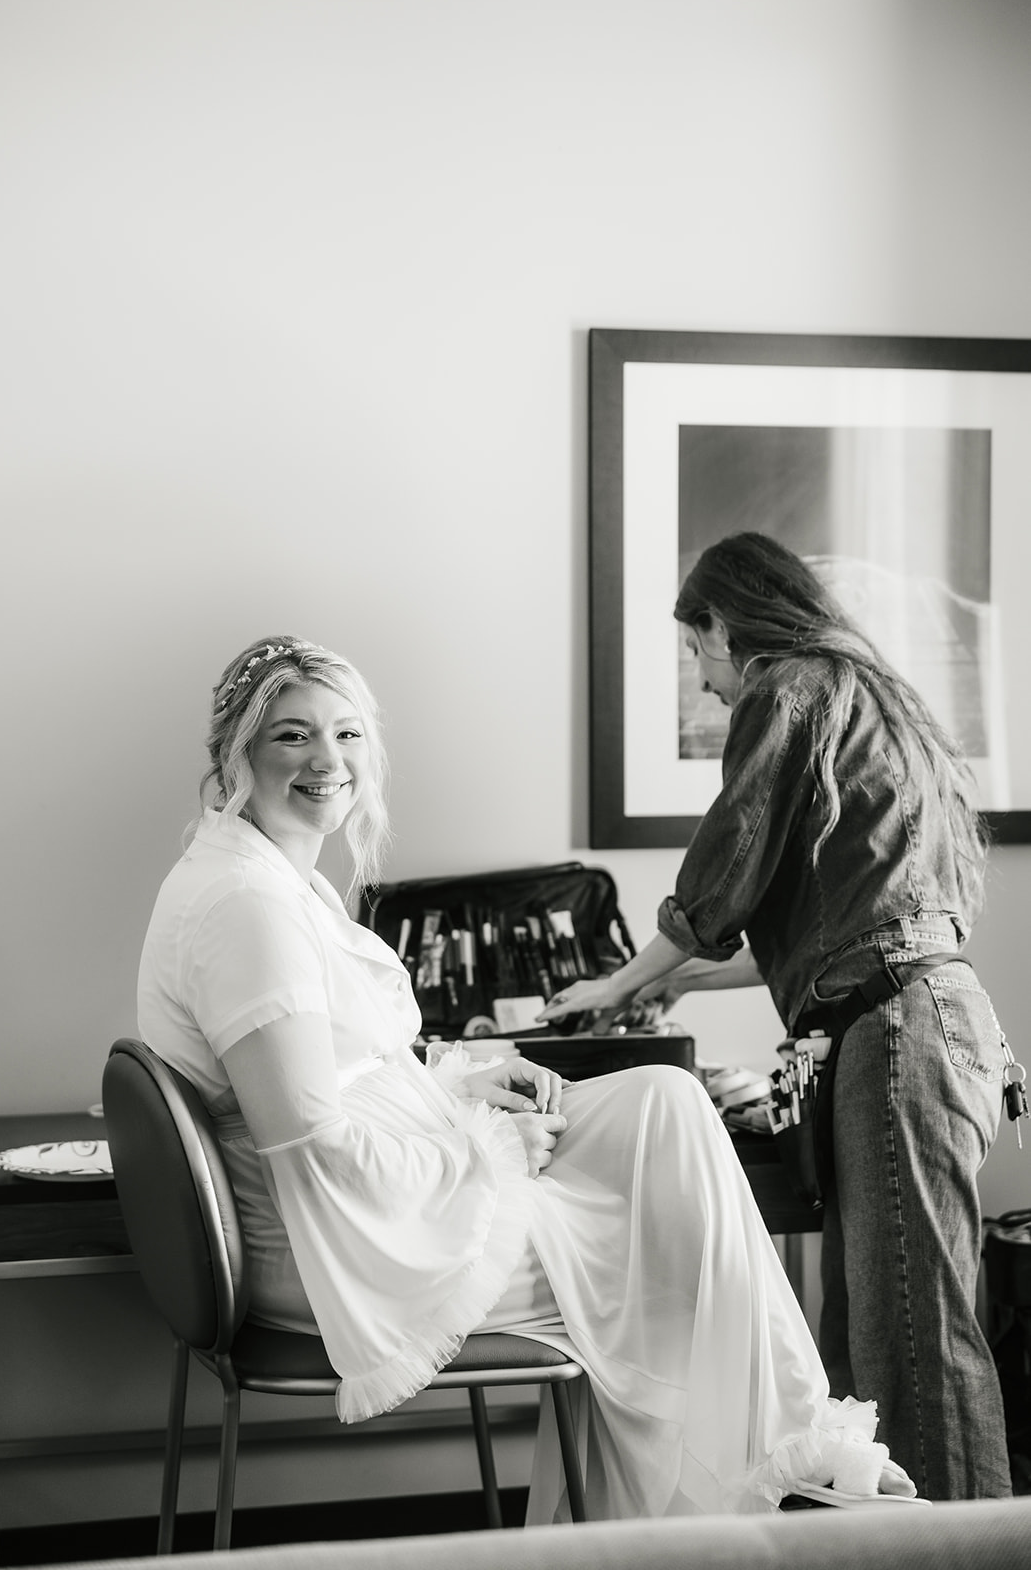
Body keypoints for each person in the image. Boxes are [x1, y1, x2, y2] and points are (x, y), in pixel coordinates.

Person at [138, 632, 921, 1523]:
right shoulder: (248, 909)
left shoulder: (275, 880)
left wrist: (463, 1081)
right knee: (672, 1265)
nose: (328, 760)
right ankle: (768, 1493)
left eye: (347, 734)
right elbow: (312, 1145)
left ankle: (786, 1466)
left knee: (665, 1100)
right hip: (332, 1246)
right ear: (235, 751)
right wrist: (490, 1147)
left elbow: (344, 1065)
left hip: (370, 1200)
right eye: (291, 736)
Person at [539, 532, 1014, 1503]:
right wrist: (671, 982)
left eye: (693, 650)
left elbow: (726, 861)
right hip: (932, 1019)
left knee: (910, 1348)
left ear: (723, 623)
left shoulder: (786, 682)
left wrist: (616, 984)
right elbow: (839, 923)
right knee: (879, 1341)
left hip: (895, 1036)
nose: (703, 682)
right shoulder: (877, 697)